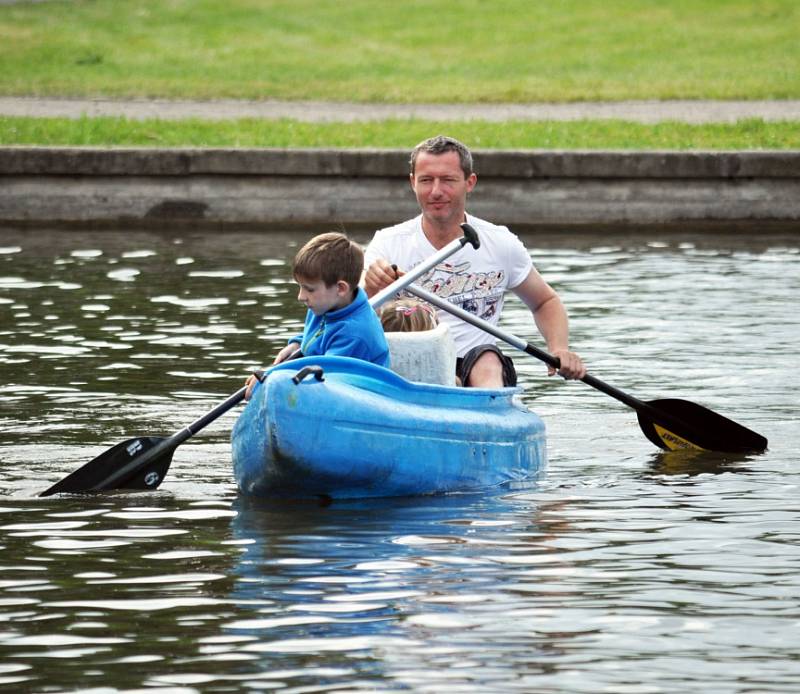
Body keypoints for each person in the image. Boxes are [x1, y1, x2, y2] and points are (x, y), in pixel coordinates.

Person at [363, 135, 585, 388]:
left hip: (476, 365)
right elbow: (350, 310)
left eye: (447, 180)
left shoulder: (501, 243)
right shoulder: (388, 243)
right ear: (413, 182)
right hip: (410, 363)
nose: (436, 191)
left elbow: (545, 301)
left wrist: (559, 349)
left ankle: (481, 409)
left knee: (488, 357)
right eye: (426, 180)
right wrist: (370, 287)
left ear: (469, 182)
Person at [245, 232, 389, 399]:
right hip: (330, 388)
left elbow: (324, 374)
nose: (301, 297)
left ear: (341, 288)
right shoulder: (324, 304)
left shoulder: (356, 333)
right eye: (300, 287)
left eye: (309, 289)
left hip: (356, 402)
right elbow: (318, 335)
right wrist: (298, 344)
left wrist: (271, 374)